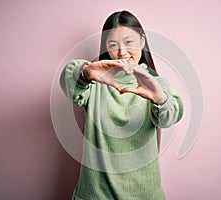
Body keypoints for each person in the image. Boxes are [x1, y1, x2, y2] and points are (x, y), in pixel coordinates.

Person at [60, 10, 183, 200]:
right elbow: (68, 77)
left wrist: (160, 98)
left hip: (143, 194)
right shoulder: (96, 80)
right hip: (94, 195)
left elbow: (171, 116)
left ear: (142, 41)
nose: (122, 52)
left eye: (128, 42)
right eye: (112, 44)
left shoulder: (155, 83)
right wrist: (85, 72)